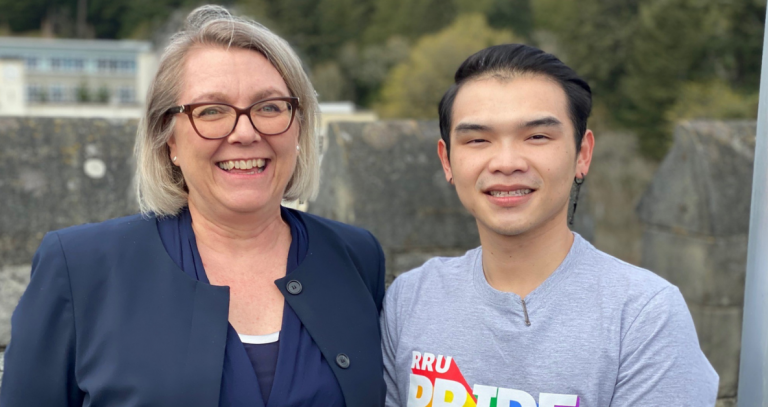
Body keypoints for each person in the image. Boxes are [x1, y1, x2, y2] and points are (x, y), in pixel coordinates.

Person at [1, 6, 385, 407]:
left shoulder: (356, 257)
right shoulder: (80, 268)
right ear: (169, 140)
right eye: (211, 111)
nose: (245, 132)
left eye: (270, 107)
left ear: (299, 127)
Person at [381, 44, 719, 407]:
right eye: (478, 139)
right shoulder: (411, 299)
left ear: (582, 154)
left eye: (537, 136)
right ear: (447, 160)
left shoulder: (642, 315)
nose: (506, 162)